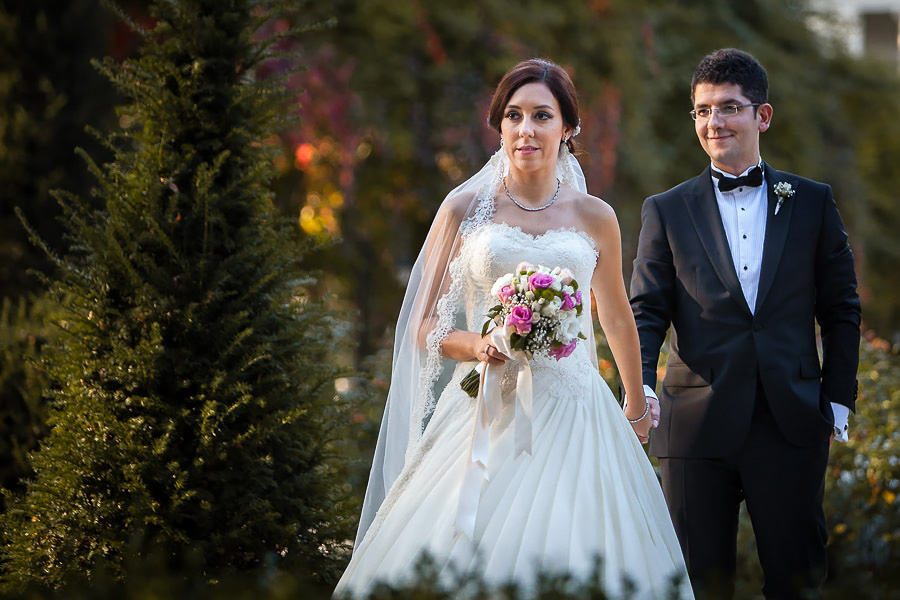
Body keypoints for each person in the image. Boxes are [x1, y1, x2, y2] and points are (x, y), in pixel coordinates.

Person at [334, 59, 692, 599]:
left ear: (567, 128)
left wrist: (636, 406)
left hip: (575, 408)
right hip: (486, 407)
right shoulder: (462, 209)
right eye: (514, 115)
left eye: (542, 116)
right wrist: (477, 345)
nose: (526, 129)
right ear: (499, 126)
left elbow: (615, 315)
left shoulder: (595, 216)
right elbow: (422, 324)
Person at [629, 48, 861, 600]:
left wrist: (838, 397)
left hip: (792, 421)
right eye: (703, 111)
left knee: (797, 580)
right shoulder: (666, 209)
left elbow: (841, 307)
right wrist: (637, 385)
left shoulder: (812, 202)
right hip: (694, 423)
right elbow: (647, 309)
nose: (714, 122)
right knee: (696, 584)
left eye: (729, 107)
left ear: (763, 116)